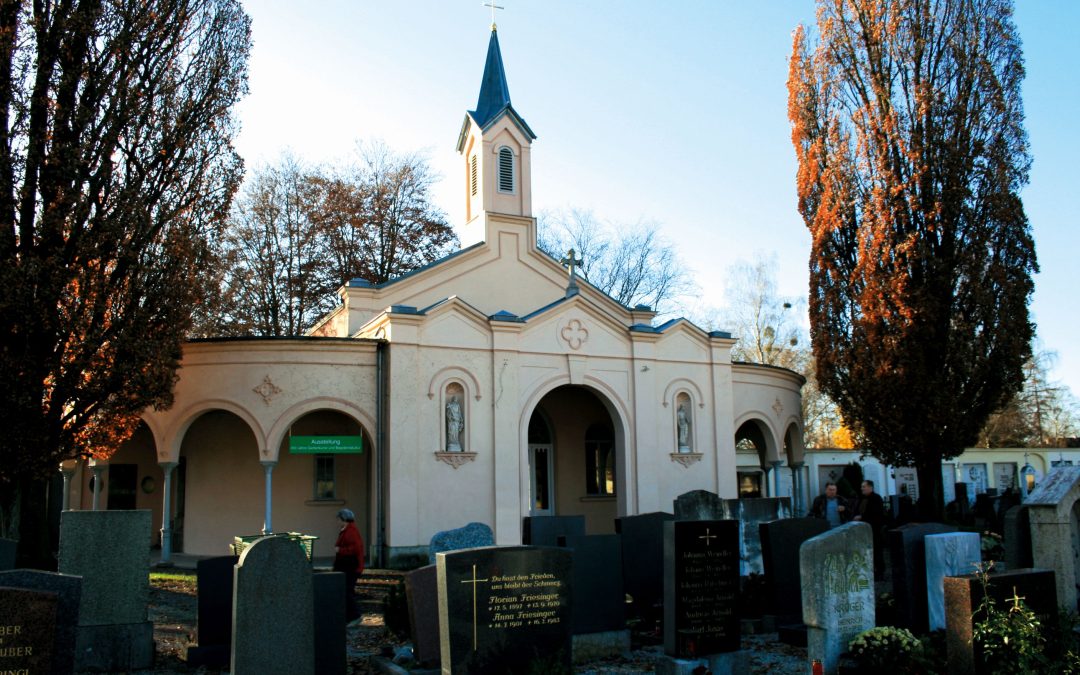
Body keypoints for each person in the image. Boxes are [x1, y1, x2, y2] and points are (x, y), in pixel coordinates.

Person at [333, 508, 365, 622]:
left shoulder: (350, 531)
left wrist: (340, 550)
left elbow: (355, 549)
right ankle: (350, 616)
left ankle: (355, 616)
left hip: (351, 567)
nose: (337, 521)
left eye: (338, 519)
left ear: (344, 519)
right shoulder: (348, 530)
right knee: (346, 591)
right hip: (349, 567)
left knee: (347, 591)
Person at [852, 480, 886, 580]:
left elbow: (875, 514)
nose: (862, 488)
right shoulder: (861, 498)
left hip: (874, 530)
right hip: (862, 531)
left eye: (864, 486)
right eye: (861, 486)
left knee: (877, 552)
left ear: (870, 487)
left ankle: (879, 573)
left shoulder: (876, 498)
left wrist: (861, 517)